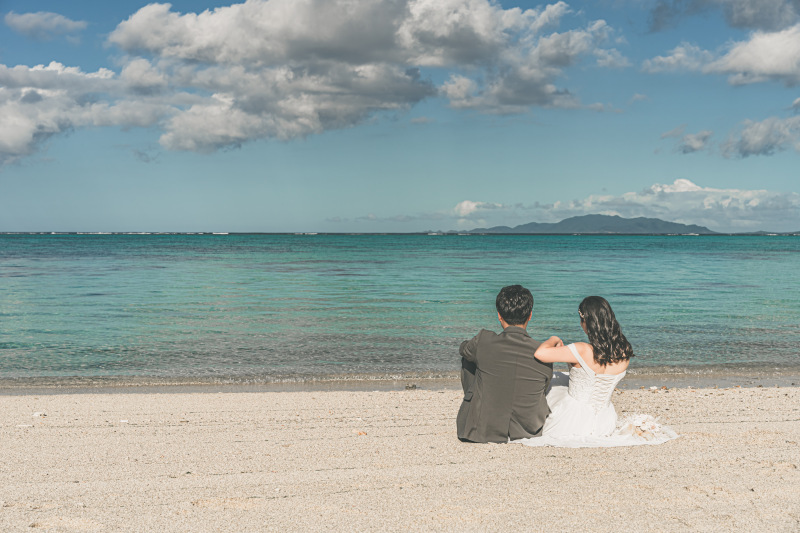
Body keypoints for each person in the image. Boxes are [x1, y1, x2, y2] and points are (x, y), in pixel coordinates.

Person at [515, 296, 677, 447]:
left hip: (572, 418)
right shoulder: (624, 352)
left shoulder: (581, 350)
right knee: (564, 378)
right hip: (604, 419)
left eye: (581, 320)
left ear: (587, 322)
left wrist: (554, 338)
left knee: (556, 380)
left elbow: (540, 354)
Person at [457, 285, 553, 443]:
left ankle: (478, 408)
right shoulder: (541, 351)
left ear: (499, 316)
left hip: (483, 430)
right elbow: (545, 384)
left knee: (469, 358)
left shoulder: (484, 340)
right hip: (529, 428)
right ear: (529, 316)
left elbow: (463, 349)